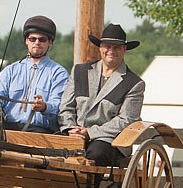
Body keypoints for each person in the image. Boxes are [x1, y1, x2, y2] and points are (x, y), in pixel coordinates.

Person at [58, 23, 145, 166]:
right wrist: (71, 128)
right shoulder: (79, 71)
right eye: (107, 46)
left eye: (116, 47)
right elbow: (66, 107)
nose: (111, 50)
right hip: (73, 134)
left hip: (108, 140)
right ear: (100, 48)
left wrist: (90, 132)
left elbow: (126, 120)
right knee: (49, 149)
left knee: (96, 153)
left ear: (124, 49)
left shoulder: (134, 83)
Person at [0, 15, 69, 133]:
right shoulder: (10, 71)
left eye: (42, 39)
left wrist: (44, 107)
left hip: (41, 133)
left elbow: (60, 106)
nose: (37, 42)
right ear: (26, 41)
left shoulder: (59, 74)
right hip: (7, 130)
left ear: (50, 43)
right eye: (33, 39)